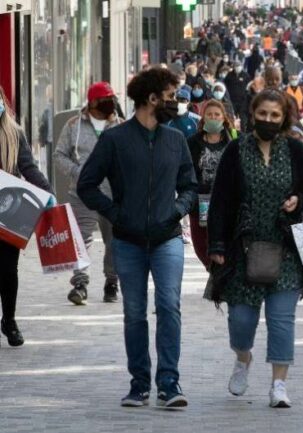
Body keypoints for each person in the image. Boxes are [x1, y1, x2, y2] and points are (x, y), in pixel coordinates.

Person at [77, 67, 197, 409]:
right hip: (127, 241)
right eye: (171, 96)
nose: (176, 103)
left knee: (169, 306)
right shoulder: (115, 139)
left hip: (167, 238)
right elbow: (86, 184)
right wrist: (115, 214)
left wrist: (177, 209)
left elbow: (189, 185)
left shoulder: (175, 140)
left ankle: (169, 383)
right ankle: (139, 384)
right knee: (134, 312)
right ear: (152, 98)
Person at [206, 89, 303, 408]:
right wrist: (216, 244)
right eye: (263, 114)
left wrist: (300, 199)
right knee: (241, 321)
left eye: (275, 115)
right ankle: (243, 358)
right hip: (243, 249)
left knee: (282, 319)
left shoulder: (296, 150)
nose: (268, 120)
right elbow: (220, 200)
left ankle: (279, 384)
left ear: (284, 118)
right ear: (252, 114)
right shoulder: (235, 150)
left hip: (286, 248)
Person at [54, 82, 122, 306]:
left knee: (114, 239)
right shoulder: (74, 126)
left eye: (112, 98)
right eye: (106, 98)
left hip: (113, 194)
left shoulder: (120, 126)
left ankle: (112, 281)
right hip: (82, 193)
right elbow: (59, 155)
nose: (110, 103)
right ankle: (80, 283)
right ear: (93, 102)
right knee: (81, 239)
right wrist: (78, 172)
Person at [0, 86, 53, 348]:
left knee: (8, 270)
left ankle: (9, 320)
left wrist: (47, 192)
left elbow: (28, 166)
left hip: (8, 211)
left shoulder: (14, 133)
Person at [186, 100, 235, 268]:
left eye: (217, 115)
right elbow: (187, 172)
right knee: (202, 245)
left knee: (226, 242)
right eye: (209, 115)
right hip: (201, 202)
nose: (213, 118)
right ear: (203, 117)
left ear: (223, 118)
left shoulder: (234, 140)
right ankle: (213, 271)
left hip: (227, 202)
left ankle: (223, 275)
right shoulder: (192, 143)